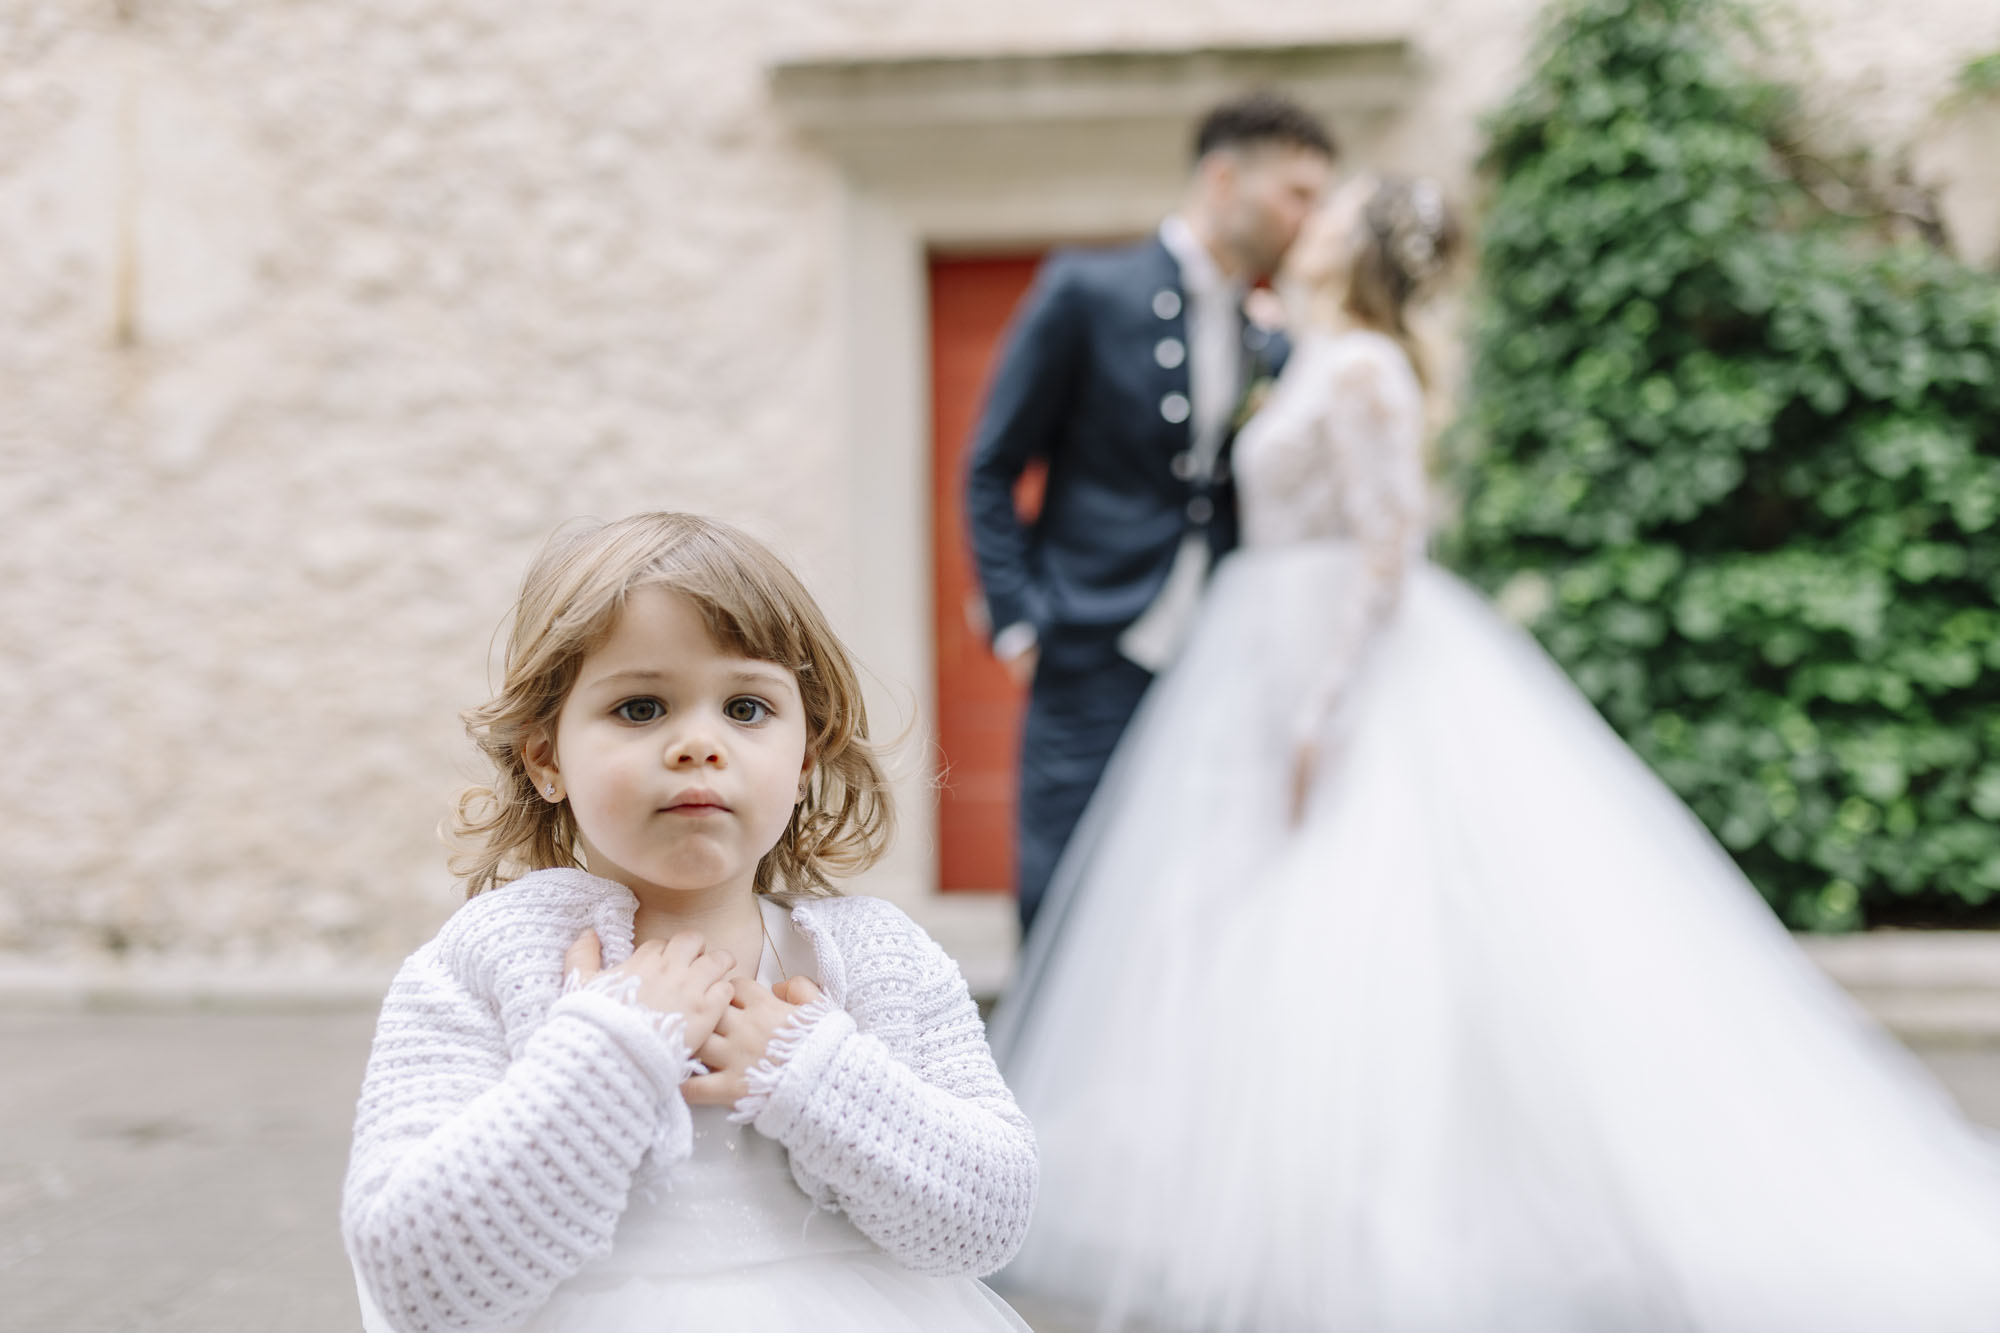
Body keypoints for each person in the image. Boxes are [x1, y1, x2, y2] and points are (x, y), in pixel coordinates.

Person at [989, 177, 2000, 1331]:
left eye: (1335, 209)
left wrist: (1320, 710)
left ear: (1357, 247)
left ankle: (1378, 1216)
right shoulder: (1316, 349)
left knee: (1354, 926)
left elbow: (1387, 542)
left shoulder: (1365, 368)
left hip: (1329, 660)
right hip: (1253, 655)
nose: (1310, 216)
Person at [342, 512, 1037, 1332]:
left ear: (806, 754)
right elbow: (413, 1275)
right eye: (641, 707)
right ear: (545, 756)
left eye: (746, 706)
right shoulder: (484, 961)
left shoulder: (875, 958)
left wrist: (818, 1071)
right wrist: (611, 1050)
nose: (698, 743)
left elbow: (993, 1220)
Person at [965, 91, 1336, 932]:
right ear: (1223, 177)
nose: (1310, 219)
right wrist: (1020, 621)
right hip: (1092, 640)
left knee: (1196, 884)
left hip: (1219, 651)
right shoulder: (1087, 291)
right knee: (1060, 888)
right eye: (1297, 194)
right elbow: (992, 465)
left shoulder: (1267, 335)